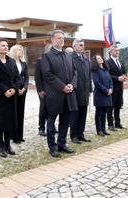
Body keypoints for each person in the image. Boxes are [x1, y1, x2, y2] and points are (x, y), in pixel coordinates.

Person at [41, 29, 78, 158]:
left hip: (69, 94)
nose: (61, 40)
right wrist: (62, 86)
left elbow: (74, 73)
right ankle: (52, 147)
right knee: (51, 121)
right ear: (52, 40)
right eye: (58, 38)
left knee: (65, 120)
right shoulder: (47, 56)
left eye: (63, 38)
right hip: (55, 95)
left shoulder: (68, 56)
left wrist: (72, 85)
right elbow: (47, 75)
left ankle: (62, 144)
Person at [0, 38, 19, 158]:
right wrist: (4, 90)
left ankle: (8, 145)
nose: (5, 47)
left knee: (9, 121)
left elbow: (17, 78)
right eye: (2, 45)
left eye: (7, 46)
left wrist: (14, 89)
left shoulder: (11, 61)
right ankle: (1, 146)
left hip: (11, 95)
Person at [70, 39, 92, 144]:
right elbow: (70, 75)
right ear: (74, 46)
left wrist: (90, 89)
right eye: (80, 45)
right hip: (75, 91)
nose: (82, 47)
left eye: (83, 45)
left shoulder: (86, 59)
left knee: (83, 113)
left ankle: (80, 134)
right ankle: (73, 135)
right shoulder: (70, 58)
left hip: (85, 91)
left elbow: (88, 75)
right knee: (75, 114)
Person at [9, 44, 29, 144]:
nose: (21, 51)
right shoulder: (11, 63)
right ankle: (14, 136)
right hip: (14, 91)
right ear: (14, 51)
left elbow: (26, 77)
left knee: (21, 113)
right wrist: (17, 89)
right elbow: (11, 78)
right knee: (14, 114)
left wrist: (24, 88)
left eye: (22, 50)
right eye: (19, 50)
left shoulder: (24, 63)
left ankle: (20, 136)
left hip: (22, 92)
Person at [106, 44, 128, 130]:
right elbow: (107, 75)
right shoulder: (108, 62)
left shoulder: (120, 62)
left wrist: (125, 77)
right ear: (111, 52)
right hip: (112, 87)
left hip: (120, 87)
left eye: (118, 51)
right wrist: (117, 78)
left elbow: (124, 72)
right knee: (110, 106)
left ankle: (118, 123)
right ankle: (110, 124)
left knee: (118, 106)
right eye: (115, 51)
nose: (117, 52)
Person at [91, 55, 113, 136]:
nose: (100, 59)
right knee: (99, 113)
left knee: (104, 113)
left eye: (100, 58)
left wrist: (111, 89)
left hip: (107, 94)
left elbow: (110, 81)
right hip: (100, 95)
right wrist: (106, 90)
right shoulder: (95, 71)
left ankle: (104, 129)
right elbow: (97, 83)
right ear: (95, 61)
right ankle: (99, 130)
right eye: (98, 58)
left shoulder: (106, 70)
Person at [34, 43, 52, 136]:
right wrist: (40, 90)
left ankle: (51, 127)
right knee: (43, 108)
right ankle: (41, 128)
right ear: (46, 50)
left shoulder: (54, 60)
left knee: (52, 108)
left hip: (53, 89)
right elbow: (37, 77)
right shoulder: (40, 61)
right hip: (43, 89)